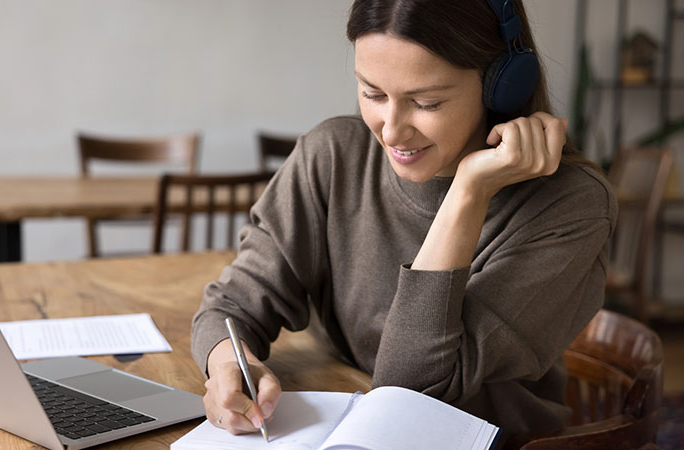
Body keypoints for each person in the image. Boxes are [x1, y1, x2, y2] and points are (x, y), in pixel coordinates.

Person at [190, 0, 617, 445]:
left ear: (501, 86)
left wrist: (467, 193)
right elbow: (230, 308)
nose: (391, 131)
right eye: (372, 94)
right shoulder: (333, 156)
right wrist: (226, 365)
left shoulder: (572, 205)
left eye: (426, 102)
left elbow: (409, 390)